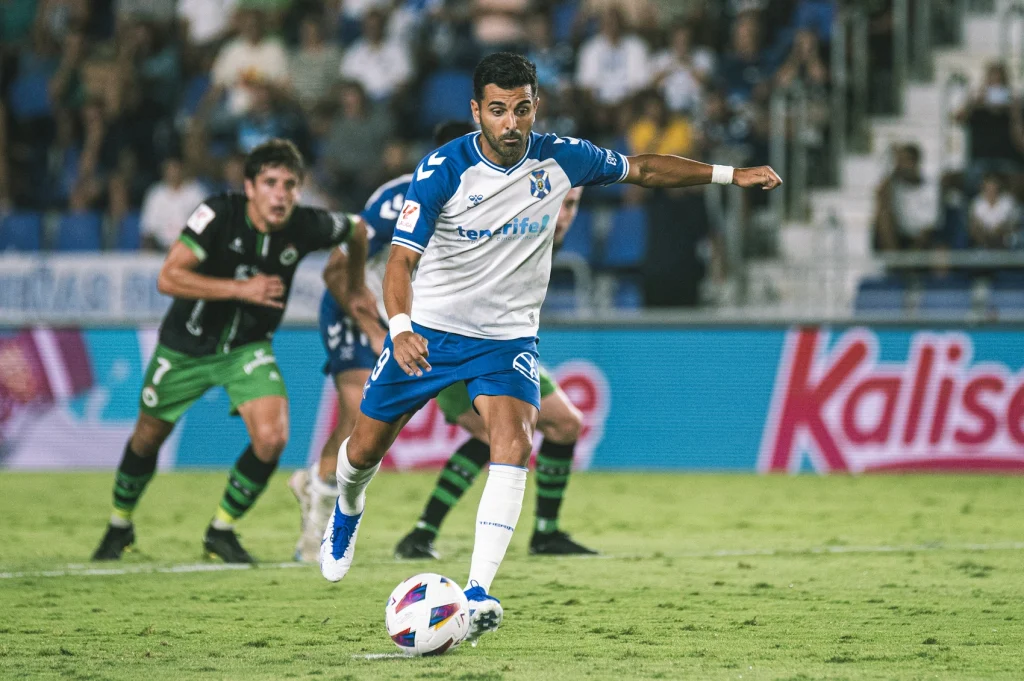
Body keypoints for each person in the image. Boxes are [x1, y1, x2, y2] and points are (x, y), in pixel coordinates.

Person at [319, 53, 781, 646]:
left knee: (514, 442)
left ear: (535, 105)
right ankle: (347, 511)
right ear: (475, 111)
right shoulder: (442, 168)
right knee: (361, 450)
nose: (510, 122)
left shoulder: (562, 156)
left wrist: (729, 175)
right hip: (429, 331)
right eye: (497, 110)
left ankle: (478, 593)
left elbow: (643, 169)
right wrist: (402, 325)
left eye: (522, 109)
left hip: (506, 337)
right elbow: (402, 261)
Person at [90, 139, 370, 564]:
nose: (281, 194)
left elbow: (357, 229)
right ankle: (119, 523)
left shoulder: (306, 224)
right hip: (185, 346)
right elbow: (169, 278)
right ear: (250, 187)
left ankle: (221, 531)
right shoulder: (217, 214)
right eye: (271, 183)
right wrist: (241, 289)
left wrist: (354, 288)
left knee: (272, 438)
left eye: (291, 185)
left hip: (247, 349)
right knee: (147, 439)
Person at [288, 121, 478, 563]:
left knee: (479, 427)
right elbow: (335, 272)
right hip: (359, 311)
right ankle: (315, 524)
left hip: (421, 321)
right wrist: (378, 330)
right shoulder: (398, 199)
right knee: (358, 414)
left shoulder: (487, 196)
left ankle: (313, 480)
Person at [393, 185, 596, 560]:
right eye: (560, 203)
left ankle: (546, 534)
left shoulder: (543, 235)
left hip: (506, 348)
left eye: (572, 205)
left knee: (565, 424)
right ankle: (421, 532)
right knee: (496, 434)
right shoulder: (510, 224)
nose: (564, 214)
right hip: (454, 346)